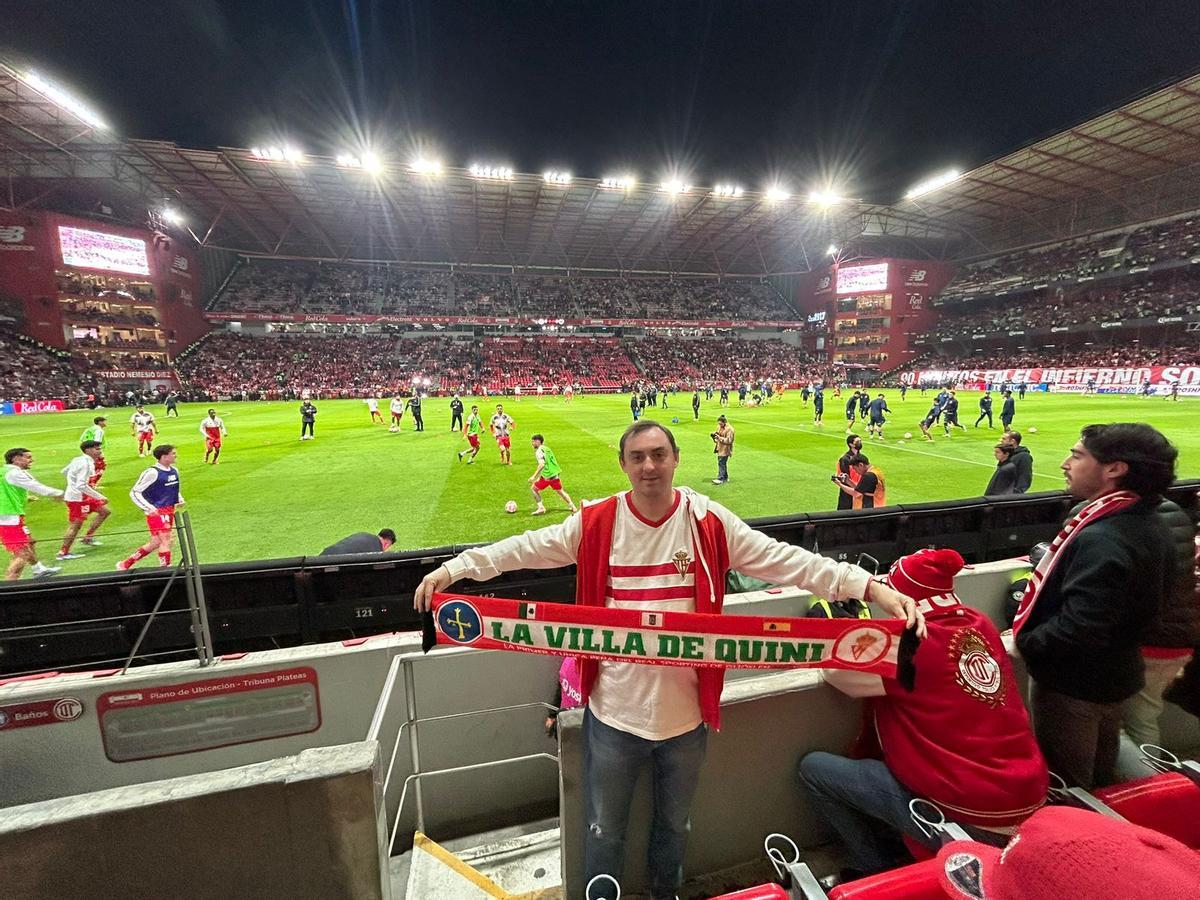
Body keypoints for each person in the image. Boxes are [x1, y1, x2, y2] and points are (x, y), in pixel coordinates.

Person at [413, 420, 924, 900]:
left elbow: (787, 559)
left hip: (686, 720)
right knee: (604, 830)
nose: (649, 466)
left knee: (674, 827)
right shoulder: (596, 523)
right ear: (624, 466)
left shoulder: (707, 522)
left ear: (676, 460)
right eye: (637, 457)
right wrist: (454, 570)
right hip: (612, 715)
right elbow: (523, 548)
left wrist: (870, 587)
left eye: (658, 455)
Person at [800, 549, 1048, 879]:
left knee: (813, 769)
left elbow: (839, 675)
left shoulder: (908, 642)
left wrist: (831, 631)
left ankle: (877, 868)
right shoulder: (982, 624)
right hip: (1030, 799)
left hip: (969, 816)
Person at [1014, 424, 1177, 788]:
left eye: (1077, 455)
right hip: (1115, 675)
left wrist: (1025, 643)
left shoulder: (1105, 537)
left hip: (1075, 685)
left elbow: (1081, 626)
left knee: (1069, 786)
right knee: (1102, 777)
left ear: (1114, 469)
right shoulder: (1150, 521)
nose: (1065, 463)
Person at [1114, 496, 1199, 778]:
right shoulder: (1176, 516)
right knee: (1143, 717)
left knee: (1133, 723)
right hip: (1177, 639)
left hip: (1149, 641)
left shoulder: (1127, 518)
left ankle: (1156, 789)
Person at [117, 444, 184, 570]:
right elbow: (135, 492)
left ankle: (125, 564)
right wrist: (149, 508)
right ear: (164, 456)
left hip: (169, 509)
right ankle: (166, 568)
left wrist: (179, 498)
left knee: (156, 542)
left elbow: (173, 488)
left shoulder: (174, 470)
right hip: (157, 511)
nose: (176, 456)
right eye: (173, 453)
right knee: (166, 540)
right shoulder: (152, 472)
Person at [2, 448, 64, 580]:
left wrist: (25, 498)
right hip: (8, 519)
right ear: (16, 459)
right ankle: (8, 589)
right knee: (21, 555)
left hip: (10, 516)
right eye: (28, 457)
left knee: (30, 542)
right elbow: (35, 486)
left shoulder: (3, 471)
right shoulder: (14, 473)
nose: (32, 460)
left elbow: (6, 490)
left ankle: (38, 569)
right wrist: (58, 493)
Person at [58, 440, 111, 559]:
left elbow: (64, 472)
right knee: (75, 525)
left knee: (105, 512)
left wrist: (72, 480)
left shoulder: (78, 460)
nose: (100, 451)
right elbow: (81, 485)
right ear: (88, 450)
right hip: (78, 498)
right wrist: (100, 496)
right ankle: (63, 553)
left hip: (83, 496)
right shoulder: (86, 464)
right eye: (97, 449)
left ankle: (88, 537)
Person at [529, 434, 578, 516]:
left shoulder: (538, 451)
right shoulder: (547, 449)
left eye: (533, 441)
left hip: (547, 476)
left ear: (538, 441)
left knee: (534, 489)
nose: (532, 443)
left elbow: (542, 464)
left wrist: (534, 476)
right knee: (561, 491)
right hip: (555, 475)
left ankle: (541, 508)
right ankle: (573, 507)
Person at [836, 434, 864, 511]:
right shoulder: (845, 459)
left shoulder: (862, 457)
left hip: (859, 488)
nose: (860, 443)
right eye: (858, 441)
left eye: (860, 441)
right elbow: (844, 477)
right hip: (848, 490)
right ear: (851, 444)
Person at [319, 528, 396, 555]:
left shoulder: (362, 534)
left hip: (322, 557)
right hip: (333, 566)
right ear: (387, 543)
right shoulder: (376, 550)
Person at [79, 416, 108, 486]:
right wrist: (98, 452)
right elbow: (97, 441)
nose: (105, 423)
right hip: (94, 450)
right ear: (100, 422)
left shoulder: (89, 429)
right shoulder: (99, 430)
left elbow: (82, 439)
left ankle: (89, 482)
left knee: (91, 466)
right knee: (100, 466)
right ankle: (92, 483)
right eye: (104, 421)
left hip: (86, 449)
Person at [711, 415, 734, 485]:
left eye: (721, 424)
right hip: (720, 448)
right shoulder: (719, 427)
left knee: (721, 463)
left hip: (726, 449)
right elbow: (718, 434)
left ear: (725, 422)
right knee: (722, 463)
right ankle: (725, 478)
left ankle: (720, 478)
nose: (719, 425)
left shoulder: (730, 429)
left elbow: (729, 440)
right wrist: (714, 436)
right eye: (719, 424)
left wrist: (719, 438)